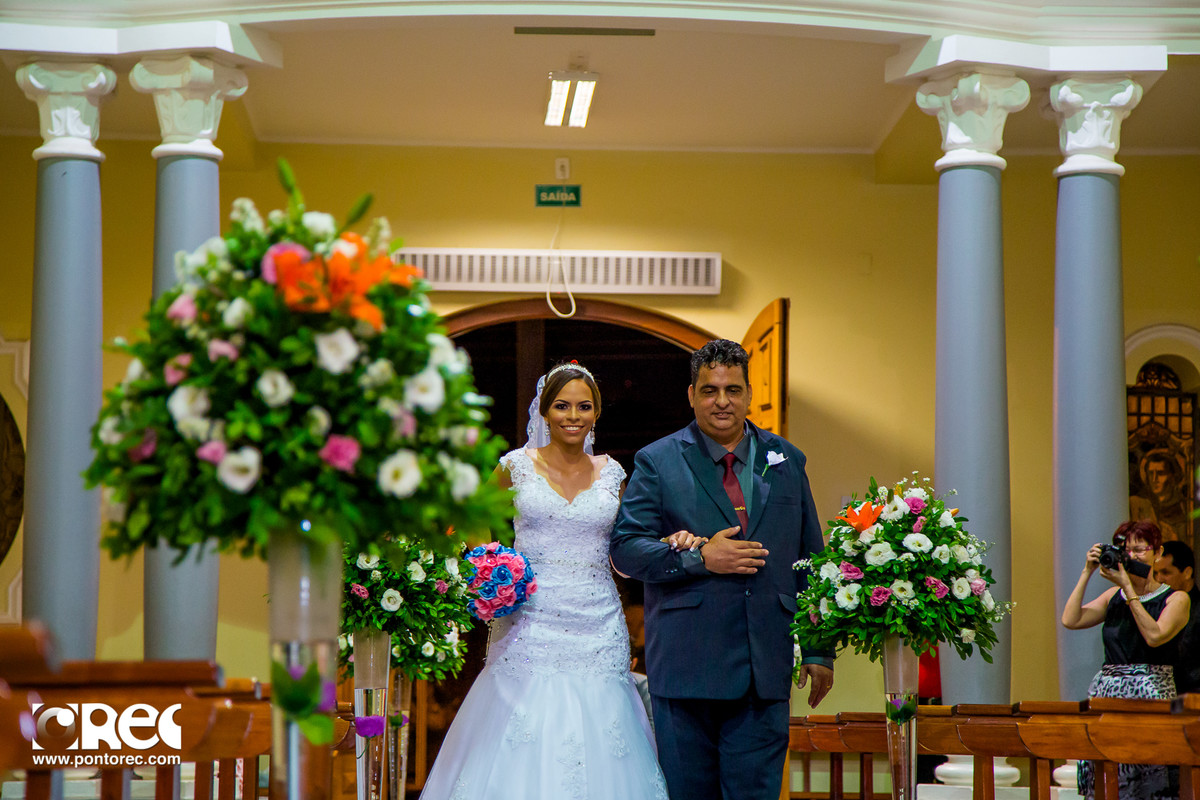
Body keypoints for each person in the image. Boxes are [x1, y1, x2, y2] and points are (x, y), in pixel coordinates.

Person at [418, 362, 673, 800]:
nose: (572, 416)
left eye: (583, 407)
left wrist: (670, 541)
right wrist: (492, 562)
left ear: (596, 415)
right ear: (545, 412)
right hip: (529, 621)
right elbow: (474, 518)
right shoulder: (515, 466)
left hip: (598, 620)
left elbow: (629, 542)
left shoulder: (614, 473)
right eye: (562, 406)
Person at [610, 339, 834, 800]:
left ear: (749, 393)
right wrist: (699, 558)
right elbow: (626, 550)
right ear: (691, 395)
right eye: (709, 390)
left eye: (733, 389)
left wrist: (818, 649)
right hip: (687, 665)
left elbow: (811, 559)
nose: (722, 401)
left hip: (764, 665)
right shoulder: (658, 461)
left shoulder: (788, 460)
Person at [1061, 520, 1191, 800]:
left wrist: (1129, 590)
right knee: (1108, 782)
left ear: (1157, 553)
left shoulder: (1176, 599)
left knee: (1148, 782)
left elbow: (1154, 636)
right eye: (1125, 550)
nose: (1131, 556)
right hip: (1108, 695)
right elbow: (1071, 619)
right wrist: (1087, 572)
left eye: (1140, 549)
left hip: (1151, 695)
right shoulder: (1113, 595)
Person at [1155, 540, 1200, 693]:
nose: (1159, 579)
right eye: (1155, 573)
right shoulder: (1156, 605)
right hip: (1161, 694)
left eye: (1166, 572)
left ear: (1187, 573)